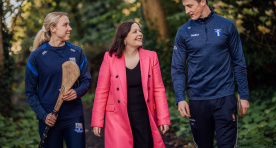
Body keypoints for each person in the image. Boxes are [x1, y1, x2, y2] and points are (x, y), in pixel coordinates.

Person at [171, 0, 250, 147]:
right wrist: (180, 98)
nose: (187, 11)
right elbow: (178, 68)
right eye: (185, 7)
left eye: (189, 6)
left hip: (225, 98)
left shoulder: (227, 26)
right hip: (197, 100)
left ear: (203, 2)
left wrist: (243, 94)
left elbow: (239, 62)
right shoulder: (183, 32)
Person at [91, 21, 170, 148]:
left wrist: (163, 119)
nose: (140, 34)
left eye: (140, 31)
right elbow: (102, 90)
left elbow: (158, 89)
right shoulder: (109, 58)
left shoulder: (151, 57)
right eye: (135, 32)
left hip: (144, 115)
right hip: (118, 117)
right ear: (124, 37)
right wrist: (97, 121)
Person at [25, 12, 92, 148]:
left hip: (74, 116)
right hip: (49, 119)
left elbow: (86, 80)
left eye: (69, 24)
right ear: (53, 28)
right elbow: (30, 91)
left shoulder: (76, 51)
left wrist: (77, 92)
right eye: (65, 25)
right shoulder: (37, 56)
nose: (70, 28)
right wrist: (44, 115)